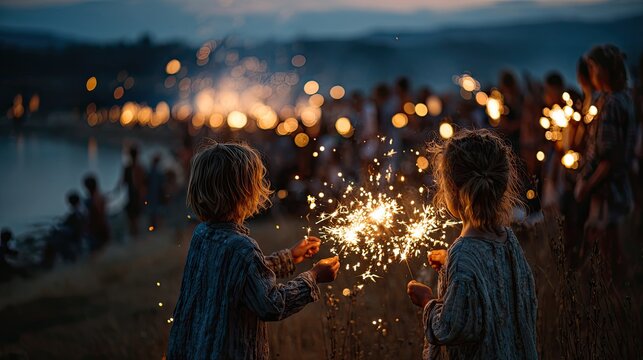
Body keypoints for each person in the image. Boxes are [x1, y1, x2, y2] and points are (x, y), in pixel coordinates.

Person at [168, 142, 340, 359]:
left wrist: (290, 257)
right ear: (244, 192)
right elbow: (271, 304)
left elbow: (238, 276)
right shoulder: (243, 247)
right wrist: (313, 277)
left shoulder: (202, 234)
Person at [406, 129, 537, 359]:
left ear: (451, 189)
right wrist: (450, 266)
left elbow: (452, 327)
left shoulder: (463, 253)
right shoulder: (508, 240)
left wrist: (427, 301)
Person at [575, 45, 636, 280]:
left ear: (603, 70)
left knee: (608, 253)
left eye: (593, 68)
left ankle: (614, 303)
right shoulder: (624, 99)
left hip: (607, 191)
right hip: (617, 187)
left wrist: (586, 185)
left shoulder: (610, 105)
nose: (591, 74)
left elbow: (608, 157)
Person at [121, 145, 146, 236]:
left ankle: (134, 233)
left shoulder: (128, 168)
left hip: (132, 195)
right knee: (136, 216)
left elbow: (122, 182)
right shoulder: (140, 168)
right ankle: (135, 234)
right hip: (136, 195)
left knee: (132, 216)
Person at [83, 174, 109, 251]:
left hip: (97, 230)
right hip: (102, 228)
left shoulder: (93, 200)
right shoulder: (100, 196)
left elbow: (96, 216)